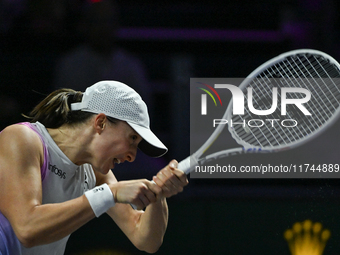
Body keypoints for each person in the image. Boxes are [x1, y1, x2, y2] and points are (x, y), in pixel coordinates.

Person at [0, 80, 188, 255]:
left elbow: (145, 240)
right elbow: (27, 229)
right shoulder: (23, 139)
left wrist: (159, 193)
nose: (132, 156)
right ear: (101, 122)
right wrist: (109, 193)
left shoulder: (95, 173)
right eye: (132, 139)